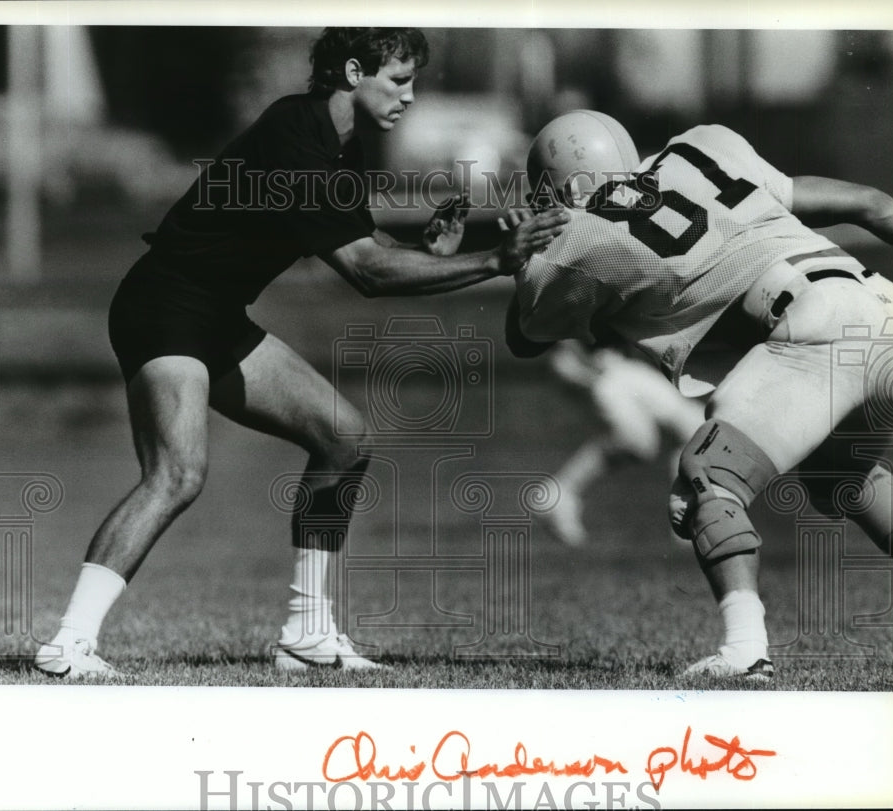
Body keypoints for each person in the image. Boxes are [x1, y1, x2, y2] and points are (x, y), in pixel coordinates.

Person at [34, 28, 568, 678]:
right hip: (165, 303)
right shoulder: (296, 131)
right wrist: (496, 260)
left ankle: (306, 633)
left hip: (215, 315)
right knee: (177, 474)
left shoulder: (342, 148)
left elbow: (366, 244)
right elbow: (367, 271)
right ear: (352, 71)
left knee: (342, 438)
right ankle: (69, 644)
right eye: (398, 79)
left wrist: (440, 255)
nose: (410, 94)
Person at [505, 109, 893, 680]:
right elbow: (870, 203)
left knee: (706, 480)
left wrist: (524, 253)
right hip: (886, 309)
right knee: (842, 478)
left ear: (562, 187)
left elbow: (523, 336)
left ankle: (745, 649)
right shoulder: (704, 146)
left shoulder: (578, 234)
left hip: (812, 328)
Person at [543, 340, 704, 547]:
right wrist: (577, 365)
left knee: (697, 432)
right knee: (640, 442)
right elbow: (563, 338)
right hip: (609, 374)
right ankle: (561, 492)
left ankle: (687, 516)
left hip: (622, 369)